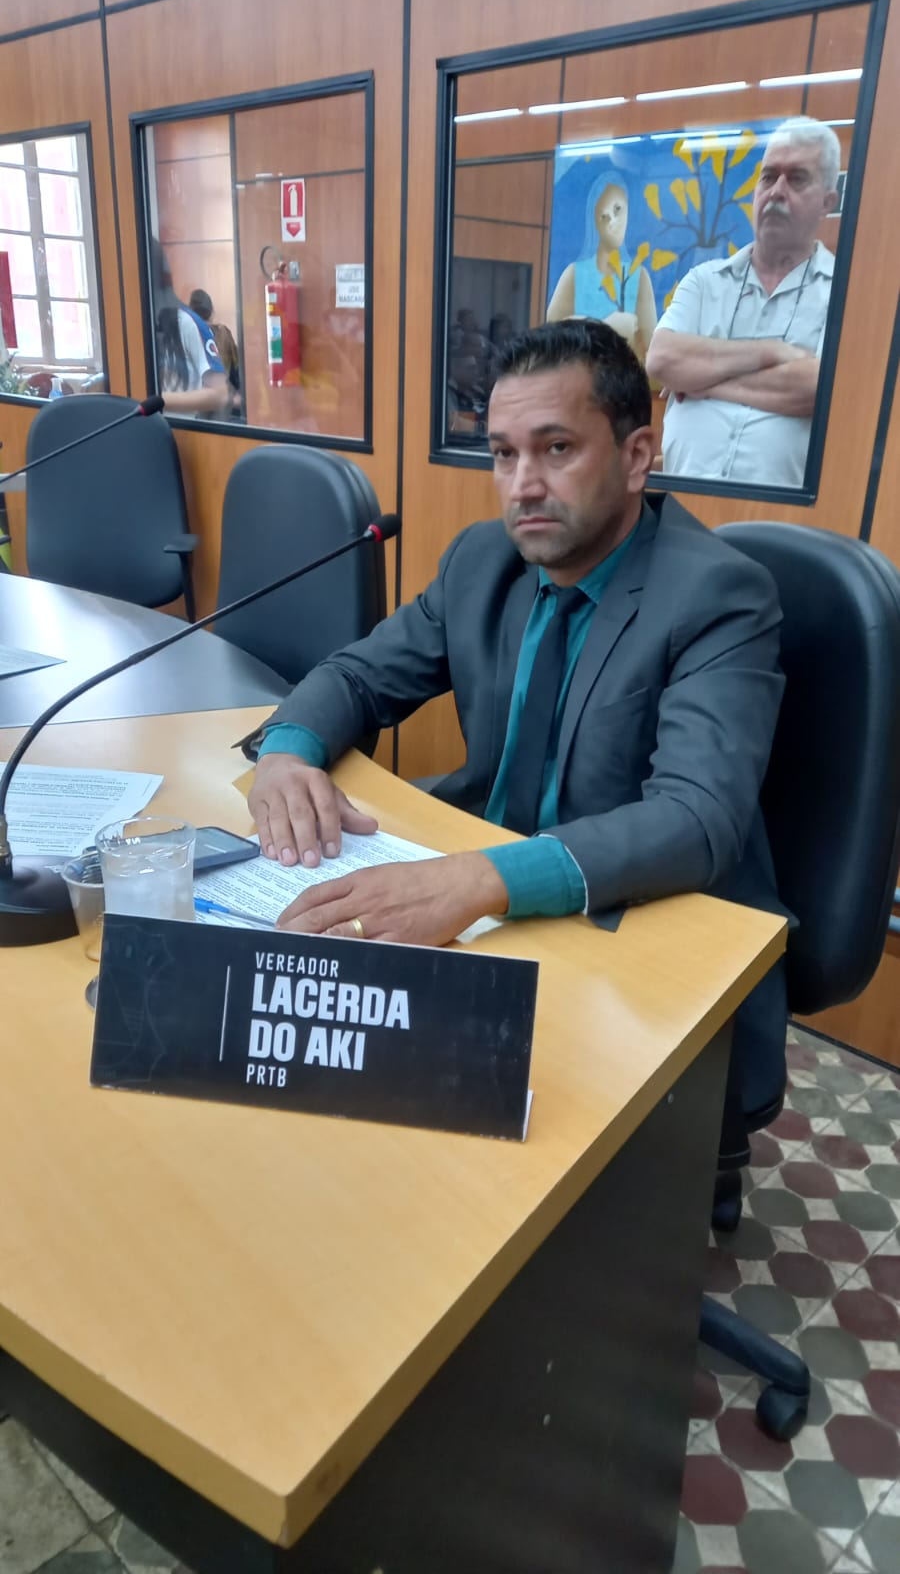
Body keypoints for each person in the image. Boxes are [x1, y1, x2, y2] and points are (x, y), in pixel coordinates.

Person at [245, 318, 787, 1130]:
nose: (523, 485)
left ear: (638, 455)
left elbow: (696, 818)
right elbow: (359, 675)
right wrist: (287, 754)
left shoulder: (719, 595)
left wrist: (479, 880)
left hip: (628, 942)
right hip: (483, 923)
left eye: (556, 448)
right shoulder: (483, 560)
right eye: (504, 454)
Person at [646, 116, 841, 487]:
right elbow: (662, 360)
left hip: (784, 514)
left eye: (797, 179)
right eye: (768, 177)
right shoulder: (704, 281)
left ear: (827, 203)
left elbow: (817, 388)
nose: (777, 191)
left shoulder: (842, 293)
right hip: (682, 503)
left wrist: (702, 381)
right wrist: (773, 353)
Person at [546, 179, 658, 361]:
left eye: (618, 210)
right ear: (594, 220)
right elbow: (552, 336)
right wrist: (607, 326)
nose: (613, 222)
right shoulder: (574, 275)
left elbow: (650, 348)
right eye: (605, 215)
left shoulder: (639, 277)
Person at [149, 240, 228, 419]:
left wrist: (156, 399)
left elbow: (219, 394)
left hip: (181, 428)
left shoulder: (186, 322)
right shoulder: (136, 326)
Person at [189, 288, 242, 415]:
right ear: (212, 312)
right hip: (224, 409)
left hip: (196, 409)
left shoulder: (186, 335)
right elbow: (236, 373)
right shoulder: (224, 333)